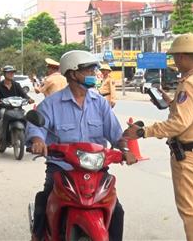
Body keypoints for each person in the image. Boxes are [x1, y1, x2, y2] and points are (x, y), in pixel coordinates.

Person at [123, 33, 193, 241]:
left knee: (191, 212)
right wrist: (172, 104)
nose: (175, 62)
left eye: (176, 57)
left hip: (191, 157)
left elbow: (179, 124)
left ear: (185, 56)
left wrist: (143, 131)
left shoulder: (191, 83)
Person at [27, 50, 137, 241]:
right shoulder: (52, 103)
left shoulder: (100, 103)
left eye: (93, 70)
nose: (93, 75)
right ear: (71, 74)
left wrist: (125, 150)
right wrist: (38, 140)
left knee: (117, 211)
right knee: (43, 199)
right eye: (88, 70)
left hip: (96, 170)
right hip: (62, 168)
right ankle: (37, 236)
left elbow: (116, 134)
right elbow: (38, 127)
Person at [0, 65, 34, 142]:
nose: (11, 74)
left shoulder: (16, 85)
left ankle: (29, 136)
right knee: (4, 116)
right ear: (4, 74)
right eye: (9, 73)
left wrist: (29, 99)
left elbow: (23, 94)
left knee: (25, 117)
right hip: (4, 108)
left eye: (12, 73)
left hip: (17, 108)